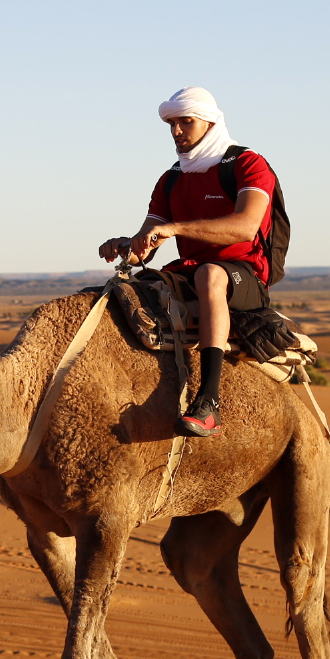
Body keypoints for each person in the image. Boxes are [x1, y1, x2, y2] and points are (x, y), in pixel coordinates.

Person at [99, 86, 278, 438]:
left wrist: (175, 228)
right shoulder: (172, 179)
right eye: (172, 124)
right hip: (188, 271)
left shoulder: (246, 164)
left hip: (243, 273)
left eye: (186, 122)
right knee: (129, 291)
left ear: (210, 123)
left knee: (211, 275)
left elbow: (245, 227)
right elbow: (146, 244)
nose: (177, 131)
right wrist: (125, 246)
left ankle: (209, 401)